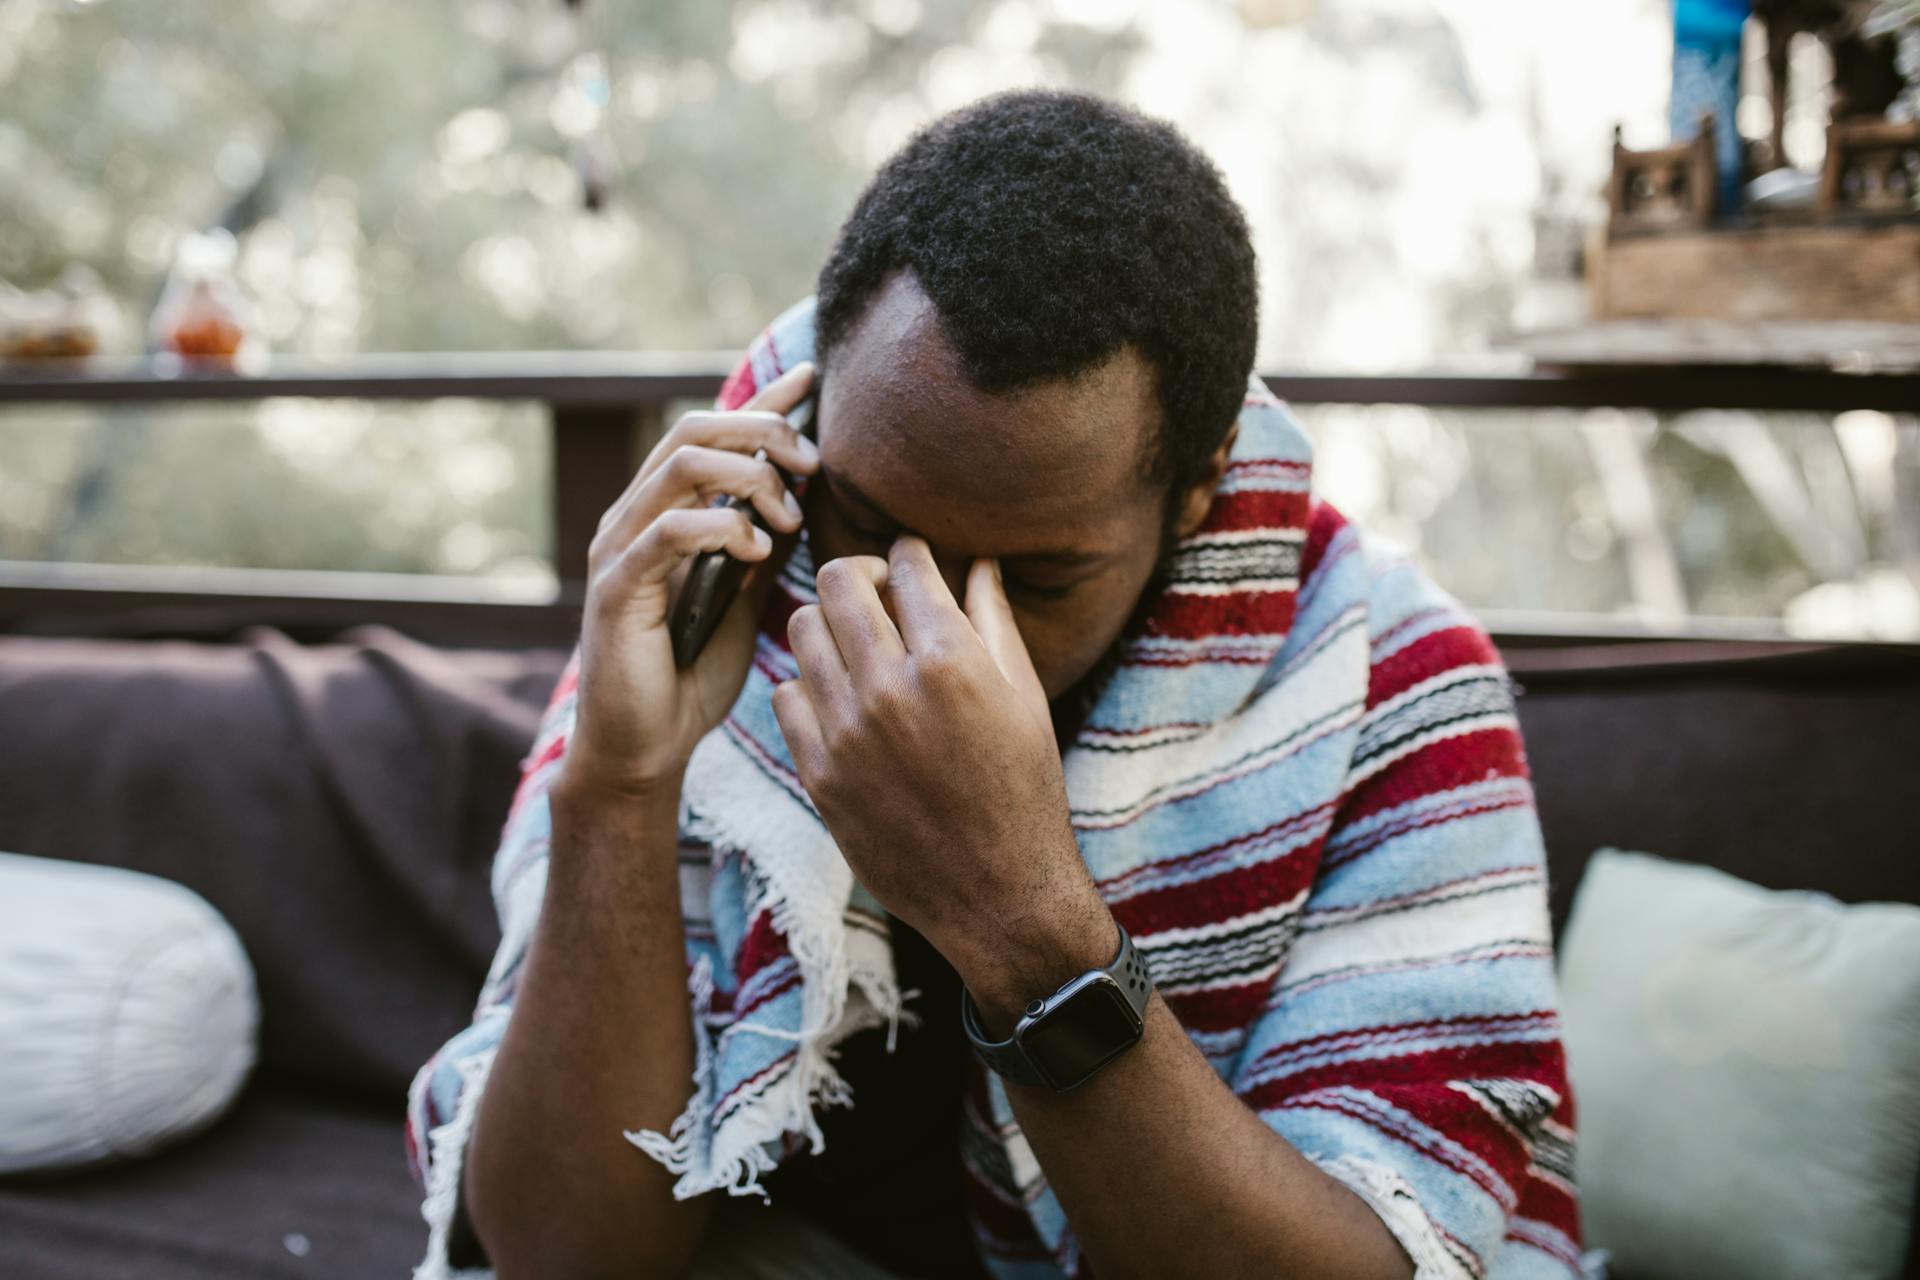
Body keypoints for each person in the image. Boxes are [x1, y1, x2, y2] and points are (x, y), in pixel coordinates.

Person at [405, 88, 1583, 1280]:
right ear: (823, 390)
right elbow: (562, 1254)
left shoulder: (1397, 684)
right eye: (863, 522)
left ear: (1196, 487)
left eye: (1034, 576)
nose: (926, 629)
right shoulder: (722, 564)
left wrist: (1017, 914)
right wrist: (618, 784)